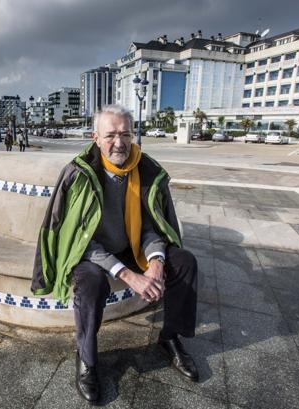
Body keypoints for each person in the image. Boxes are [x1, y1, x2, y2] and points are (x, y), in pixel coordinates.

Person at [32, 105, 198, 403]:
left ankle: (170, 336)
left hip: (134, 246)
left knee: (184, 262)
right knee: (90, 283)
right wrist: (127, 274)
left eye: (125, 134)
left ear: (134, 135)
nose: (119, 143)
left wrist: (156, 262)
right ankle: (86, 358)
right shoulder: (79, 173)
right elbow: (79, 238)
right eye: (110, 135)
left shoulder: (146, 171)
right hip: (92, 253)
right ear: (96, 137)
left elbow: (152, 226)